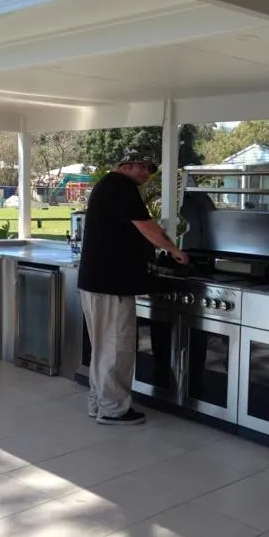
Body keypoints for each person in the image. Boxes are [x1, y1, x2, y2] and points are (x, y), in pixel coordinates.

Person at [78, 149, 189, 425]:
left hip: (96, 280)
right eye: (141, 166)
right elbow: (148, 228)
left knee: (103, 347)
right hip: (111, 283)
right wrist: (175, 251)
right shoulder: (121, 187)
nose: (146, 173)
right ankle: (114, 410)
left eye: (150, 169)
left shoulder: (107, 185)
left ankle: (100, 403)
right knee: (117, 346)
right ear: (125, 165)